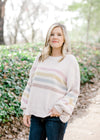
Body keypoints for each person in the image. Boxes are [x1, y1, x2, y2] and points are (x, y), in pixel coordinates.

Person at [20, 23, 80, 140]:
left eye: (59, 34)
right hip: (36, 114)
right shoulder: (40, 58)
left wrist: (60, 107)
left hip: (55, 115)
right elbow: (30, 85)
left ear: (64, 39)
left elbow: (73, 90)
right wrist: (26, 110)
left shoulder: (69, 61)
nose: (55, 37)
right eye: (52, 34)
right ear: (48, 38)